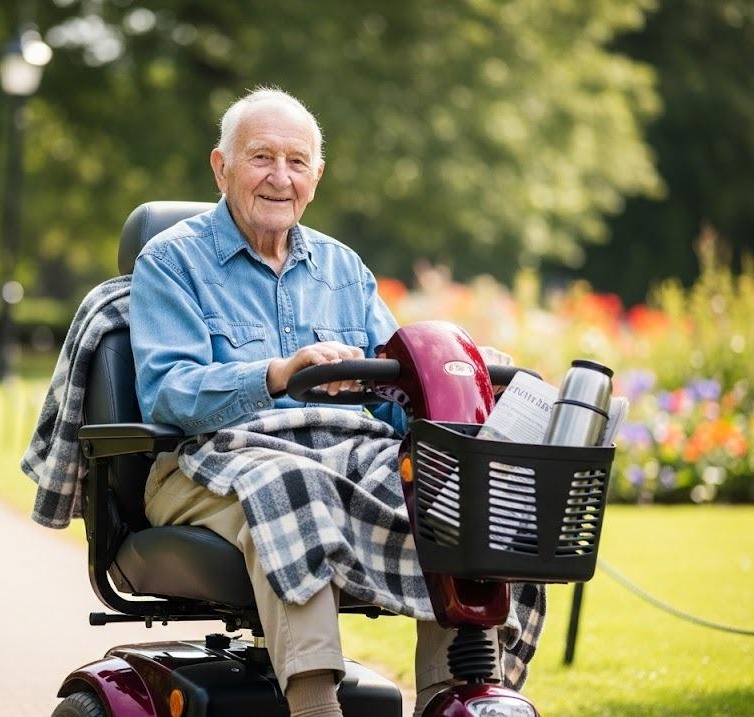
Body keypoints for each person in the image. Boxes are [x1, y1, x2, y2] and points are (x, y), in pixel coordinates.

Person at [129, 89, 518, 717]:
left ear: (317, 176)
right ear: (220, 167)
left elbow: (397, 398)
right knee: (291, 485)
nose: (280, 178)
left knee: (461, 493)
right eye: (261, 157)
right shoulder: (171, 261)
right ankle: (315, 706)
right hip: (206, 461)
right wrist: (277, 375)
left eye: (297, 161)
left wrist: (475, 388)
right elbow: (170, 392)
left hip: (343, 456)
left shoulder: (345, 270)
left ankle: (459, 694)